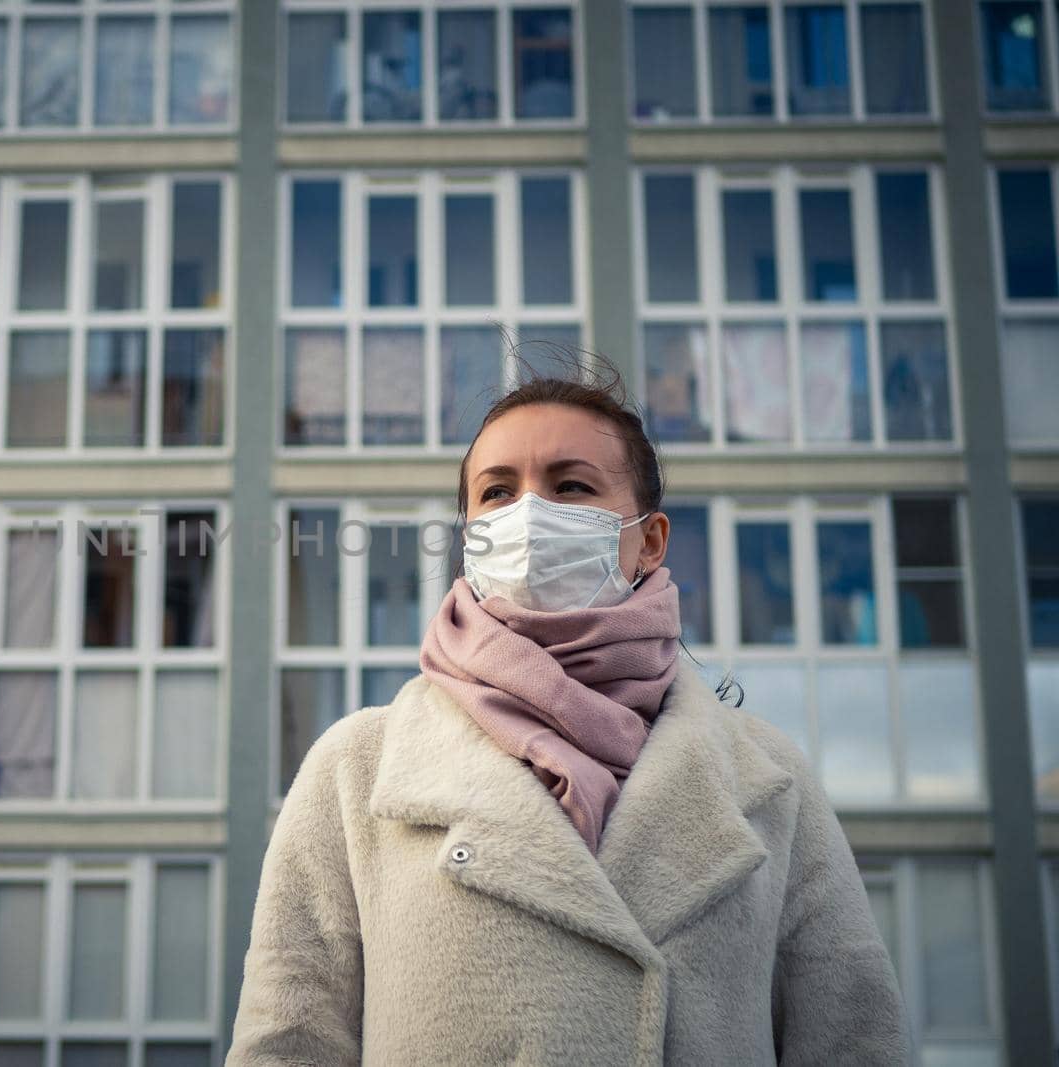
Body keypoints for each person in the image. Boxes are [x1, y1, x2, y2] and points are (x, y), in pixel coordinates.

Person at [226, 357, 907, 1066]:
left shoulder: (770, 780)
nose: (529, 512)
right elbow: (286, 1043)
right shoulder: (355, 770)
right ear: (469, 536)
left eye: (571, 485)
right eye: (496, 491)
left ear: (650, 540)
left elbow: (855, 1040)